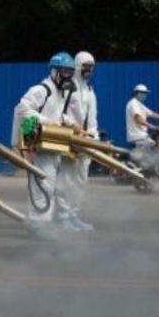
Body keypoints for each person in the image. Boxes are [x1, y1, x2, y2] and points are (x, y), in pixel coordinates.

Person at [14, 52, 82, 236]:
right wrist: (46, 122)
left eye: (70, 73)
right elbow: (23, 109)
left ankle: (43, 222)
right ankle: (39, 224)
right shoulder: (42, 89)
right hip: (36, 142)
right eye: (64, 72)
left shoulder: (59, 92)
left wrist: (70, 123)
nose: (68, 76)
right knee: (42, 184)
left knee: (49, 184)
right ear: (54, 71)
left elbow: (57, 114)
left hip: (50, 143)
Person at [58, 51, 98, 232]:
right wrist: (72, 126)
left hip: (86, 142)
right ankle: (63, 216)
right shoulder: (68, 86)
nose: (88, 70)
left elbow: (93, 118)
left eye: (91, 67)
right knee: (66, 180)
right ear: (77, 65)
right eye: (85, 66)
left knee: (81, 181)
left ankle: (74, 214)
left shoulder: (89, 90)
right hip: (70, 139)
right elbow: (59, 112)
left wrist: (93, 137)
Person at [125, 83, 159, 165]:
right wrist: (153, 127)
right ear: (137, 93)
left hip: (141, 135)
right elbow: (138, 119)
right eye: (143, 93)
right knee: (150, 151)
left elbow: (153, 114)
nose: (145, 95)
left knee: (150, 152)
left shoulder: (139, 104)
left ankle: (137, 165)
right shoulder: (133, 104)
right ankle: (134, 166)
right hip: (137, 136)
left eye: (145, 93)